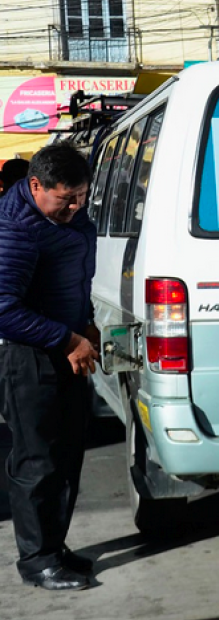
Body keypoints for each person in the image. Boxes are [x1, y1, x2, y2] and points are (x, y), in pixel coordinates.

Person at [0, 143, 100, 591]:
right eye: (66, 199)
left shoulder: (70, 219)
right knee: (37, 460)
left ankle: (55, 547)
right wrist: (67, 339)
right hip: (29, 356)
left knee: (66, 454)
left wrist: (88, 326)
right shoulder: (15, 228)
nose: (76, 207)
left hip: (69, 346)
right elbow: (3, 307)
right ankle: (37, 560)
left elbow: (73, 281)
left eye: (81, 197)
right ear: (35, 185)